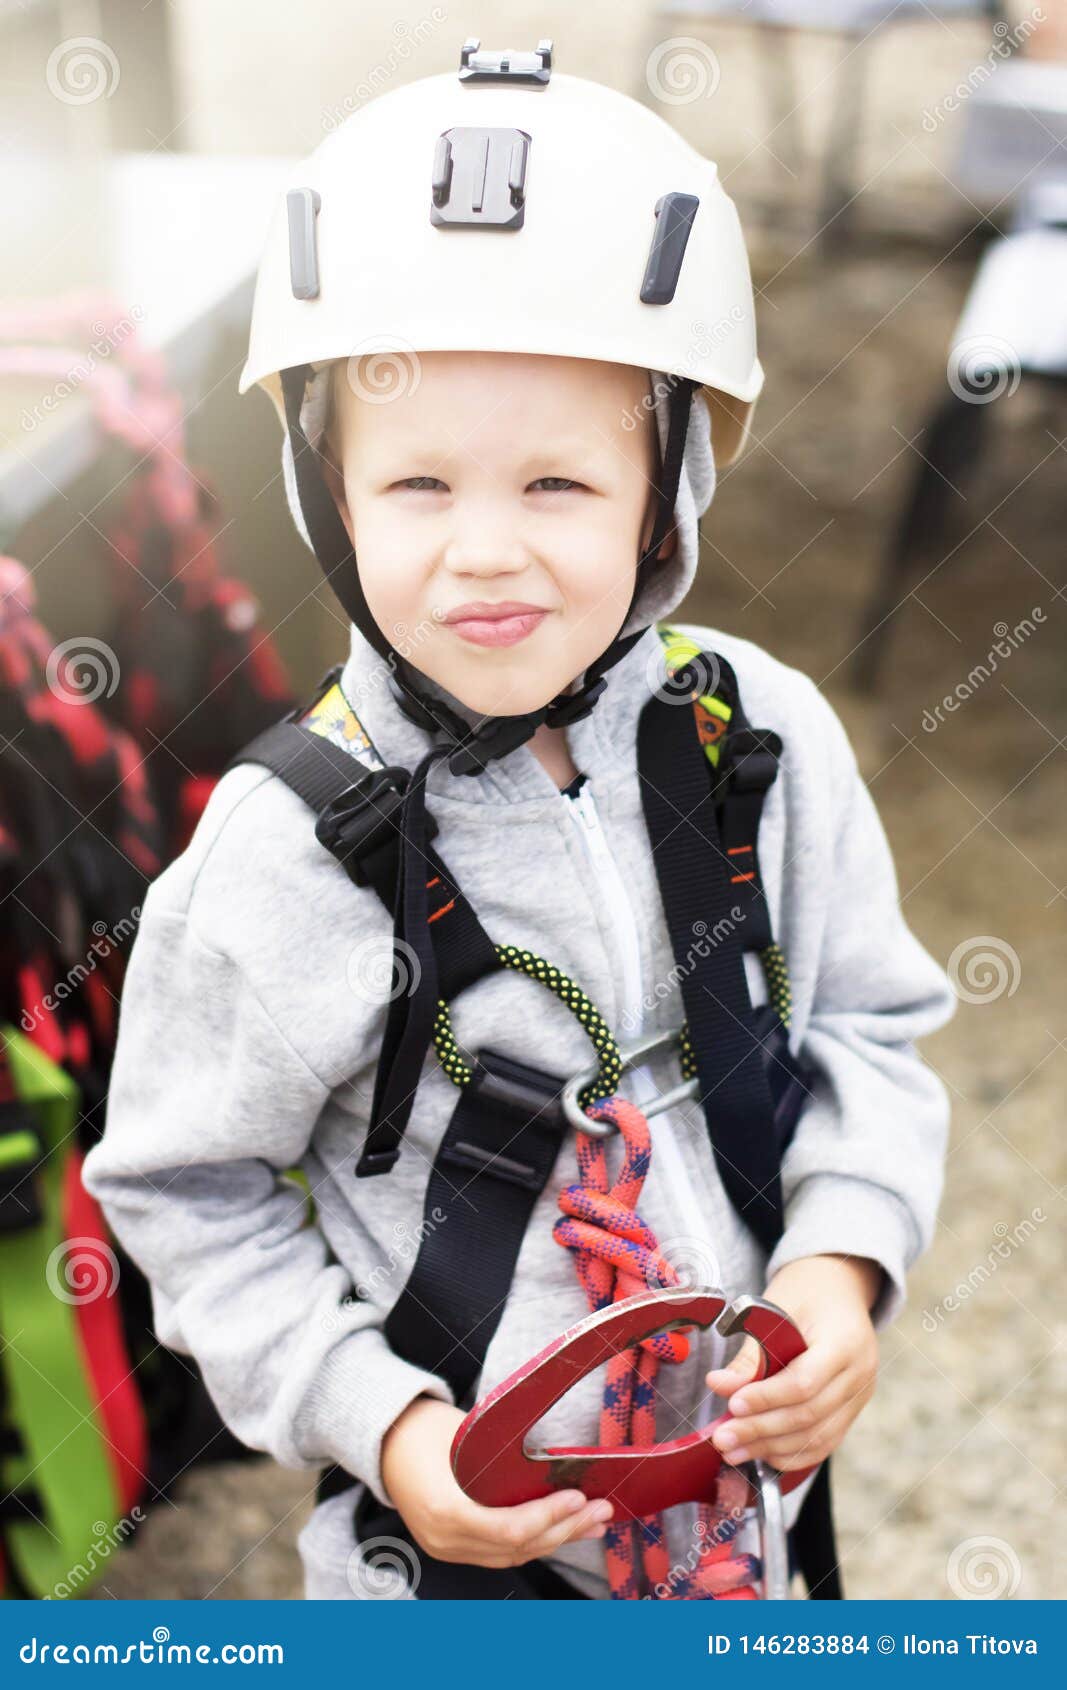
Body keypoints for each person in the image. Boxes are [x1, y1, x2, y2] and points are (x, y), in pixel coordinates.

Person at [81, 40, 955, 1601]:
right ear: (328, 493)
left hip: (746, 1528)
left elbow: (874, 1032)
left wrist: (840, 1261)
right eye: (419, 483)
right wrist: (390, 1424)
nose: (488, 553)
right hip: (451, 1572)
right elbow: (180, 1192)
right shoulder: (275, 865)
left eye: (557, 484)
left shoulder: (759, 748)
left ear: (666, 490)